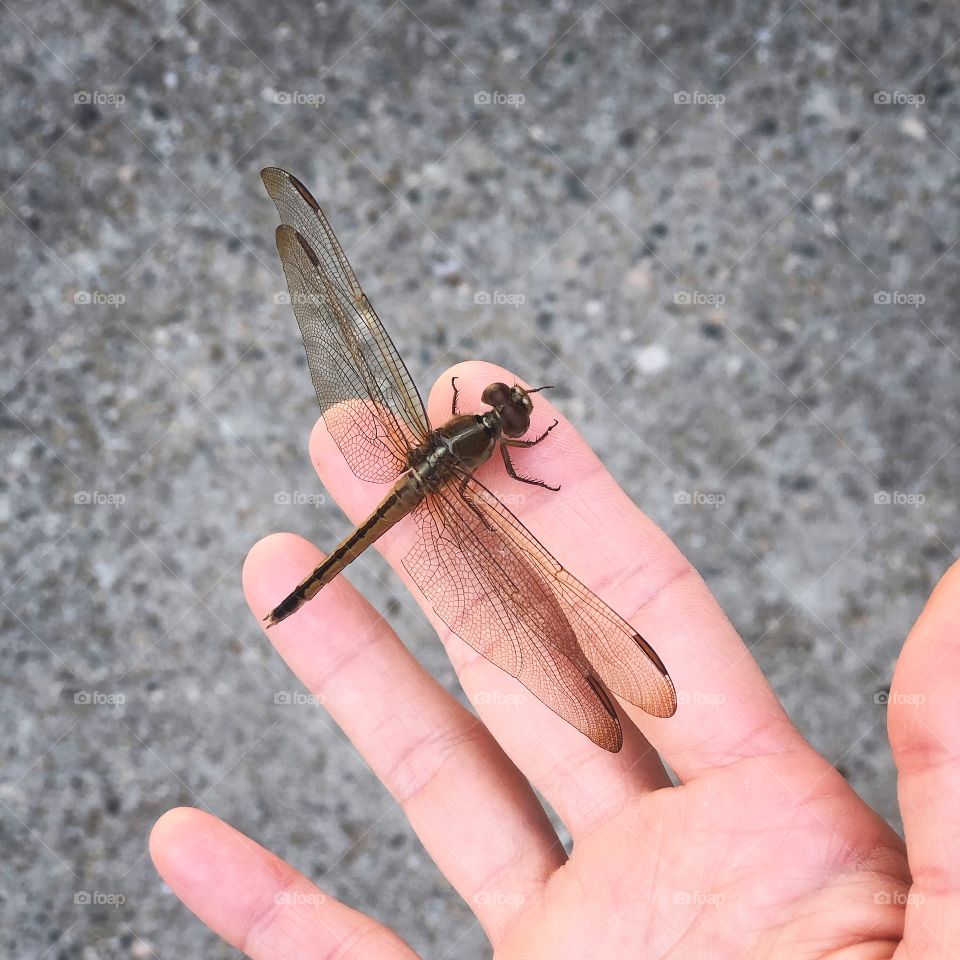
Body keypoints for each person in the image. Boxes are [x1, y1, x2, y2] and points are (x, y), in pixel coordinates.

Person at [150, 362, 956, 958]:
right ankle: (302, 592)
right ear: (494, 427)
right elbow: (521, 460)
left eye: (509, 413)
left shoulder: (456, 442)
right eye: (506, 412)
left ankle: (302, 591)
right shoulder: (497, 456)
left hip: (417, 478)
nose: (510, 411)